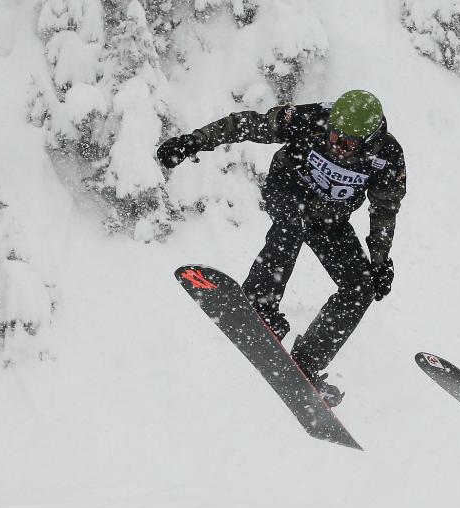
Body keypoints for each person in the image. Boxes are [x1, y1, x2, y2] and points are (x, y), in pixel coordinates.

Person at [157, 90, 406, 406]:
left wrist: (381, 261)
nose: (336, 145)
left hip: (330, 217)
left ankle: (307, 363)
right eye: (333, 135)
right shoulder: (312, 118)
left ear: (369, 140)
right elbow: (248, 124)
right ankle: (260, 305)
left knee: (362, 286)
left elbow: (385, 209)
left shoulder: (388, 158)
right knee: (292, 224)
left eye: (347, 144)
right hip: (288, 189)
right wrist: (194, 141)